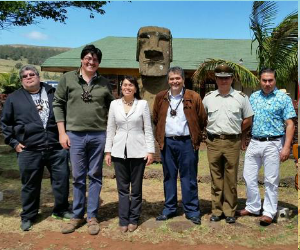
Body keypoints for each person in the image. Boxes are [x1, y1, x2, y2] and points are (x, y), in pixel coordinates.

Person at [53, 44, 114, 235]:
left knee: (95, 176)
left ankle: (92, 216)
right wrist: (62, 133)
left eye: (95, 59)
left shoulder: (104, 82)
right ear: (82, 59)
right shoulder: (67, 78)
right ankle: (77, 215)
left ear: (99, 63)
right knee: (78, 177)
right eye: (88, 58)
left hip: (97, 135)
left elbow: (112, 109)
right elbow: (58, 105)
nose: (91, 62)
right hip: (75, 135)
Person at [1, 65, 71, 231]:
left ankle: (60, 210)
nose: (29, 77)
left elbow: (66, 115)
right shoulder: (14, 98)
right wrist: (13, 142)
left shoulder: (53, 93)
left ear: (38, 76)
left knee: (61, 181)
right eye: (25, 76)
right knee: (30, 185)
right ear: (21, 80)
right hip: (29, 149)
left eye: (32, 74)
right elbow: (5, 123)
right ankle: (29, 215)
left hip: (55, 147)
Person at [238, 68, 296, 226]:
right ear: (260, 80)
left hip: (273, 143)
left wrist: (286, 147)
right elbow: (248, 120)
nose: (267, 83)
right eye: (264, 80)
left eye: (270, 80)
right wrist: (244, 137)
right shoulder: (254, 97)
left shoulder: (283, 98)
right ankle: (253, 206)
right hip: (255, 142)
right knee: (248, 176)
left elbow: (290, 124)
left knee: (271, 180)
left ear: (275, 80)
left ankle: (269, 212)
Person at [153, 66, 206, 225]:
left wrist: (195, 136)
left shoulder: (193, 96)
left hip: (187, 143)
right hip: (168, 142)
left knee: (189, 177)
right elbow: (156, 118)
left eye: (178, 78)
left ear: (183, 79)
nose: (175, 81)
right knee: (169, 176)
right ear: (168, 81)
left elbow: (202, 119)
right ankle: (169, 208)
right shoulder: (161, 97)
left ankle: (191, 210)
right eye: (171, 78)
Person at [202, 63, 253, 224]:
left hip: (232, 141)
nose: (223, 81)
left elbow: (248, 119)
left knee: (231, 178)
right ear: (216, 79)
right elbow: (202, 118)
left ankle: (229, 210)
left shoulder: (241, 97)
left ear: (232, 79)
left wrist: (237, 129)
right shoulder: (208, 98)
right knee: (216, 176)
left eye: (227, 78)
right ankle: (217, 210)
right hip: (214, 141)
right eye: (220, 78)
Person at [104, 76, 155, 233]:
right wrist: (108, 151)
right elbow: (110, 129)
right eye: (125, 85)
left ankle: (134, 218)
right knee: (122, 188)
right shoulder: (114, 104)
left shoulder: (142, 104)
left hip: (138, 150)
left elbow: (148, 128)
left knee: (136, 188)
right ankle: (123, 219)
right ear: (121, 87)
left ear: (135, 88)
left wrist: (150, 151)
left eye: (130, 85)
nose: (127, 87)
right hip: (119, 151)